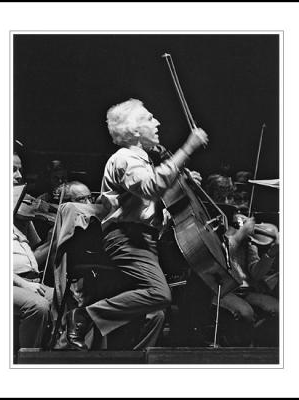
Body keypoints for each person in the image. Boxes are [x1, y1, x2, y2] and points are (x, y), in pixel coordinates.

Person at [65, 98, 209, 350]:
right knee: (159, 295)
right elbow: (149, 187)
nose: (157, 122)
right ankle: (84, 316)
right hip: (127, 239)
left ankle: (133, 366)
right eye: (149, 118)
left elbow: (148, 201)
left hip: (143, 241)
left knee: (155, 314)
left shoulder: (141, 161)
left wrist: (178, 183)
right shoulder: (125, 158)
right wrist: (187, 149)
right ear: (133, 130)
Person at [213, 213, 279, 347]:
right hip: (224, 290)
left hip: (246, 291)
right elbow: (222, 255)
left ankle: (260, 346)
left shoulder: (249, 242)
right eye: (239, 220)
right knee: (245, 312)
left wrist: (270, 254)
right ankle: (237, 348)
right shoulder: (219, 237)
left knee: (279, 308)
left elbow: (256, 273)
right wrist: (239, 235)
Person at [13, 152, 53, 350]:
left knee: (74, 302)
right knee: (37, 306)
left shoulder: (19, 214)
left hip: (31, 280)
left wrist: (56, 237)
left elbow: (35, 254)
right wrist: (23, 284)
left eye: (20, 169)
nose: (19, 176)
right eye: (12, 170)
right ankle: (27, 363)